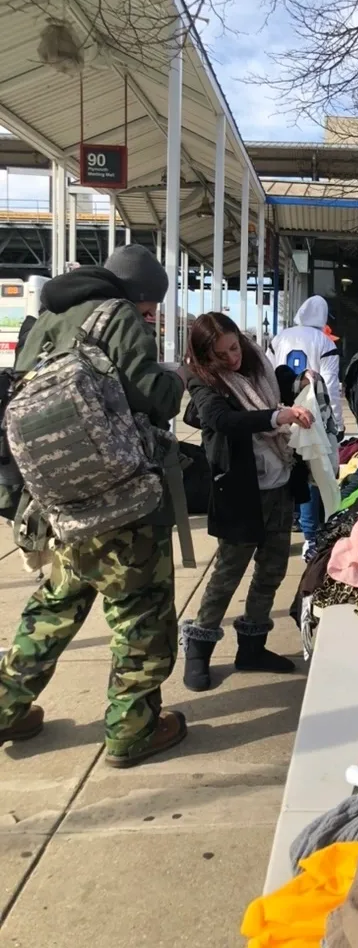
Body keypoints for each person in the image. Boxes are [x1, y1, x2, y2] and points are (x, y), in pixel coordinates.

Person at [0, 247, 186, 766]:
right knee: (140, 614)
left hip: (59, 501)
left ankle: (6, 707)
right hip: (120, 502)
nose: (150, 314)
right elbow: (154, 397)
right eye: (151, 304)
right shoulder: (119, 316)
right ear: (139, 293)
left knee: (54, 605)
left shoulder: (46, 320)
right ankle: (133, 730)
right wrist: (176, 378)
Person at [182, 312, 314, 692]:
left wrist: (298, 380)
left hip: (280, 482)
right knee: (228, 572)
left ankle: (252, 647)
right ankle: (199, 648)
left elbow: (276, 383)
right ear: (206, 356)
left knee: (272, 570)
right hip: (240, 490)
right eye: (221, 354)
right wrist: (277, 416)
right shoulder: (202, 380)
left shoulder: (257, 359)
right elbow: (222, 420)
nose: (232, 358)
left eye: (234, 347)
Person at [269, 295, 343, 559]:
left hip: (281, 412)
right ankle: (310, 537)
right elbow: (330, 385)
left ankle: (289, 522)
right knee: (312, 472)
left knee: (283, 470)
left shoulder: (279, 338)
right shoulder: (324, 342)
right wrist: (337, 423)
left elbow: (268, 376)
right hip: (311, 415)